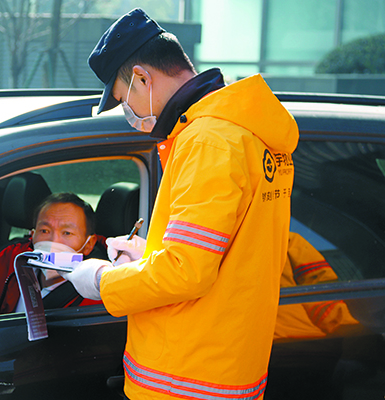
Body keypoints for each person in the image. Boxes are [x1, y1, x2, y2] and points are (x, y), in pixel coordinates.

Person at [60, 8, 299, 400]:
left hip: (186, 377)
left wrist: (101, 280)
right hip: (224, 367)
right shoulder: (244, 134)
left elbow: (186, 271)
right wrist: (149, 253)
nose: (130, 114)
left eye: (123, 100)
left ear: (142, 78)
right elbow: (224, 253)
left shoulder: (207, 141)